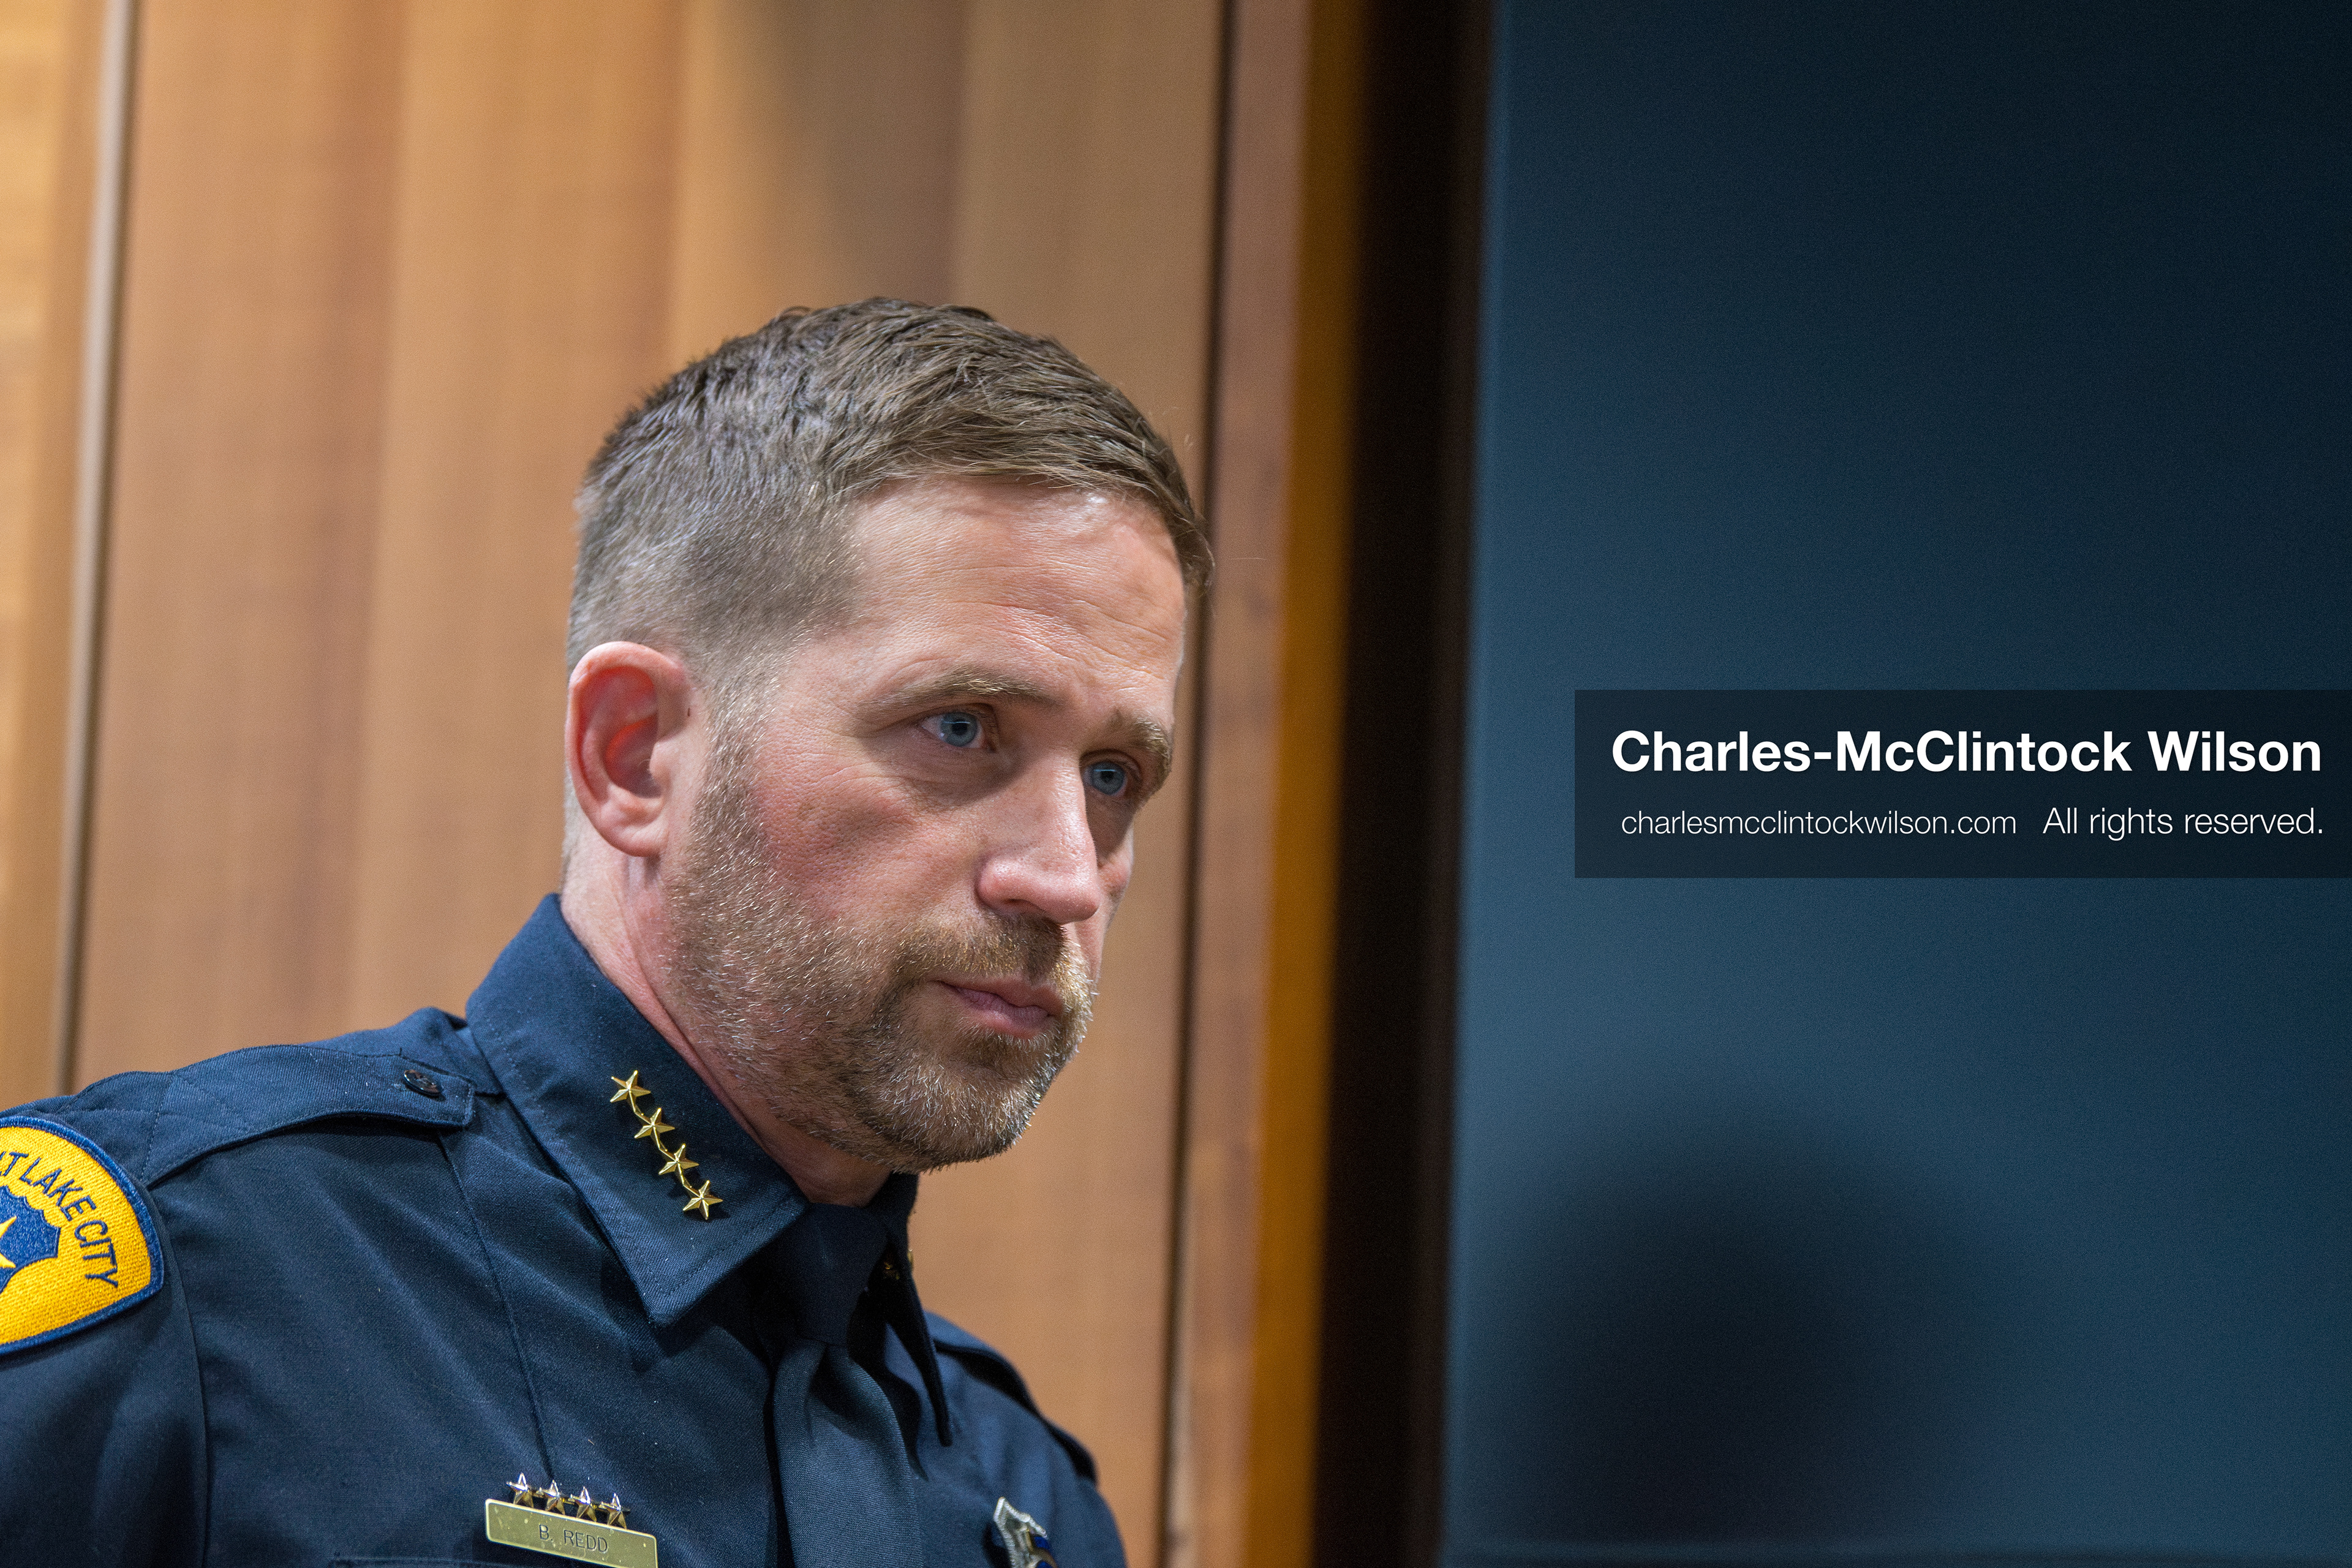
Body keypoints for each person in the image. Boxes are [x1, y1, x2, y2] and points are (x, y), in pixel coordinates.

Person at [0, 300, 1210, 1567]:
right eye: (961, 727)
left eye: (1117, 773)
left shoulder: (1027, 1499)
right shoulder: (188, 1289)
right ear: (634, 754)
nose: (1070, 874)